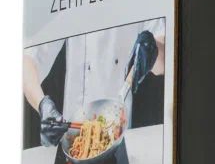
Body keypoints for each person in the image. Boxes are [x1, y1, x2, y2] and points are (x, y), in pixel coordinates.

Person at [23, 20, 165, 146]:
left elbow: (163, 62)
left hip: (119, 134)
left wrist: (154, 49)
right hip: (71, 137)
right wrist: (43, 105)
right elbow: (27, 61)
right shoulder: (70, 3)